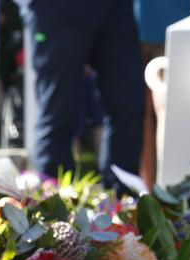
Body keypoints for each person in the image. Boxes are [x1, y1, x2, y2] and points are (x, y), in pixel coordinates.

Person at [20, 0, 146, 191]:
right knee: (57, 113)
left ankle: (122, 204)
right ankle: (53, 209)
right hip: (55, 8)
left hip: (114, 7)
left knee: (129, 104)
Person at [134, 0, 190, 189]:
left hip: (172, 24)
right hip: (132, 25)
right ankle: (151, 194)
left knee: (166, 114)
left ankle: (165, 192)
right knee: (143, 115)